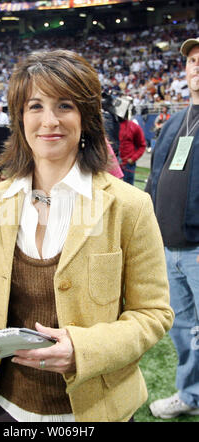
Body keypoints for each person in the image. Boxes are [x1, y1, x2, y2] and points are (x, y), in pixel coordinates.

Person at [0, 50, 173, 422]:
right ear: (19, 117)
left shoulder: (129, 206)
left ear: (86, 117)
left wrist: (83, 350)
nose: (49, 121)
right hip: (7, 406)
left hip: (95, 410)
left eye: (65, 105)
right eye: (35, 106)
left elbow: (153, 313)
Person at [146, 37, 199, 419]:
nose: (196, 65)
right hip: (169, 247)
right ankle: (191, 393)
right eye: (192, 60)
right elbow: (154, 178)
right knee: (183, 331)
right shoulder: (176, 122)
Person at [118, 113, 147, 185]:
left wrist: (133, 159)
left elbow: (142, 145)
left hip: (128, 165)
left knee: (128, 191)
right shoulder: (111, 126)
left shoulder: (134, 127)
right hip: (114, 164)